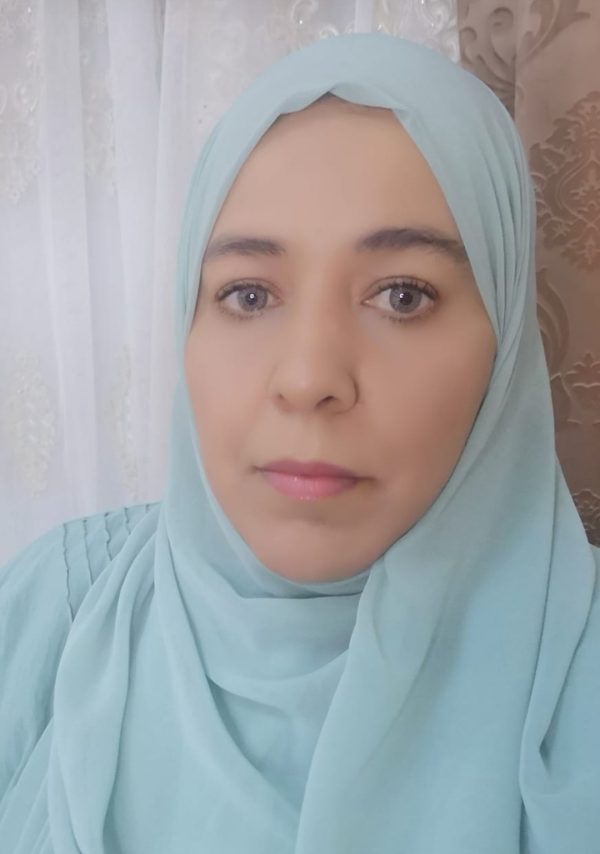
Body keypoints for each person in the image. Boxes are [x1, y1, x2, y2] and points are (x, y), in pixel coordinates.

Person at [1, 31, 598, 854]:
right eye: (248, 294)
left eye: (402, 295)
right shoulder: (55, 612)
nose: (310, 377)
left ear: (503, 346)